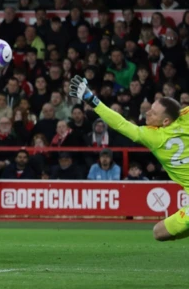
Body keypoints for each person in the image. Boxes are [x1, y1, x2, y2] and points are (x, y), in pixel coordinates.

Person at [70, 75, 189, 241]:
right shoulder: (185, 116)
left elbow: (120, 124)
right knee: (160, 233)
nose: (147, 112)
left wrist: (92, 99)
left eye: (153, 113)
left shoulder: (154, 137)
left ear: (166, 121)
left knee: (158, 233)